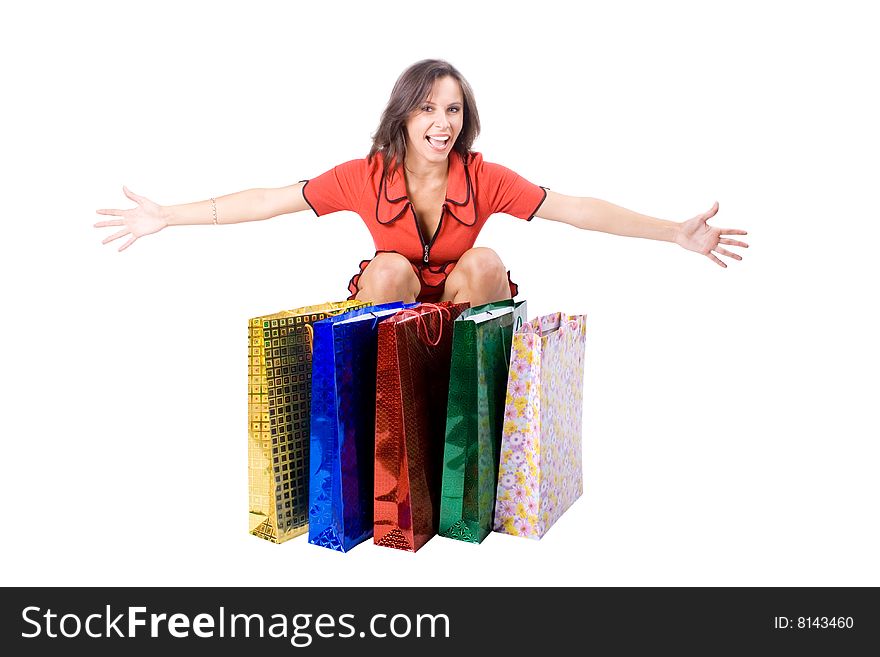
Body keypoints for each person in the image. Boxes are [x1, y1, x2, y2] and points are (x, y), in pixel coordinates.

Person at [95, 59, 748, 305]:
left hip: (463, 316)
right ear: (405, 115)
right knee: (385, 266)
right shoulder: (364, 176)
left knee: (487, 258)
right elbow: (270, 199)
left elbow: (574, 208)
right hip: (389, 314)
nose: (442, 122)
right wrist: (168, 216)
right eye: (429, 108)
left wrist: (673, 233)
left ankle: (464, 407)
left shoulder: (483, 177)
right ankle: (379, 414)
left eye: (453, 109)